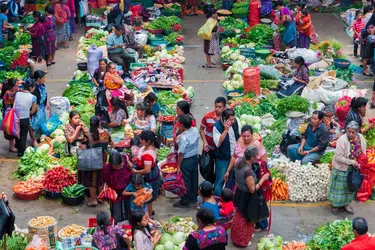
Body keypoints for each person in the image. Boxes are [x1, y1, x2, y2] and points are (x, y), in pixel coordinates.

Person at [231, 146, 270, 247]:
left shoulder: (238, 164)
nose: (258, 157)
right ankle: (242, 239)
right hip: (247, 197)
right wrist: (263, 179)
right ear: (252, 157)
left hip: (239, 193)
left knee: (239, 216)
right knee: (247, 219)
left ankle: (236, 236)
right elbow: (252, 189)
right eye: (257, 155)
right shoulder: (248, 171)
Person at [328, 121, 366, 215]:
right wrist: (352, 162)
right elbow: (338, 157)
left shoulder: (361, 138)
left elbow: (363, 152)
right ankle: (335, 205)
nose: (350, 134)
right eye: (349, 131)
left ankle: (346, 204)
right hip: (342, 167)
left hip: (353, 168)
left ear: (357, 132)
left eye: (353, 132)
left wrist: (361, 162)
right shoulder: (342, 139)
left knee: (349, 188)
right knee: (338, 188)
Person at [213, 108, 241, 196]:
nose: (233, 121)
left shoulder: (236, 122)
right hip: (223, 159)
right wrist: (225, 130)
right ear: (224, 119)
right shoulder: (217, 127)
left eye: (233, 119)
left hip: (235, 157)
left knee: (233, 179)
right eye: (231, 119)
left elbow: (239, 135)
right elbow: (218, 143)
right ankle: (217, 198)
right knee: (221, 179)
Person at [132, 131, 161, 215]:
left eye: (142, 139)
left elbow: (147, 170)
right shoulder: (149, 146)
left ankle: (149, 216)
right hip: (150, 171)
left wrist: (136, 171)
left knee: (147, 196)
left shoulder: (148, 154)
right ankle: (148, 212)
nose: (140, 140)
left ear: (148, 141)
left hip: (149, 176)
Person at [174, 115, 200, 208]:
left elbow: (181, 153)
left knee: (186, 181)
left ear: (182, 126)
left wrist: (178, 166)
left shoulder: (183, 137)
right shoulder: (195, 130)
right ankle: (193, 196)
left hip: (186, 160)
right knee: (194, 178)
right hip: (194, 158)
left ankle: (185, 200)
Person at [200, 97, 226, 184]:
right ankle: (208, 188)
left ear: (224, 107)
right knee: (208, 170)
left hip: (220, 150)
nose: (217, 109)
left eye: (220, 107)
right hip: (209, 149)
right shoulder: (207, 117)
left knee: (220, 172)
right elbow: (201, 129)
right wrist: (205, 142)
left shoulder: (226, 119)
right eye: (216, 106)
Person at [102, 151, 133, 223]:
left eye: (118, 166)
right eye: (114, 166)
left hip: (128, 191)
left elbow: (133, 171)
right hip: (115, 194)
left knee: (129, 212)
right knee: (117, 214)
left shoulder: (127, 162)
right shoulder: (107, 169)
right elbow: (105, 180)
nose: (116, 168)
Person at [13, 80, 37, 157]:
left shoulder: (17, 94)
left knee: (17, 134)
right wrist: (28, 112)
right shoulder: (33, 97)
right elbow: (33, 110)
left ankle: (17, 146)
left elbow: (15, 104)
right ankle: (21, 152)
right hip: (25, 119)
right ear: (30, 87)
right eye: (33, 87)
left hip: (16, 118)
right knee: (23, 135)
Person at [30, 70, 48, 147]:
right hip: (36, 108)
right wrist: (35, 110)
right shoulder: (34, 88)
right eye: (43, 78)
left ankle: (40, 138)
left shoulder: (42, 85)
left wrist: (46, 104)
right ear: (38, 79)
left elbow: (45, 95)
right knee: (34, 124)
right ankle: (34, 140)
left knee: (42, 123)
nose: (45, 79)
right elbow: (34, 101)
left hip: (42, 107)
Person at [1, 79, 18, 153]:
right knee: (11, 129)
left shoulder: (14, 91)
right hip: (9, 114)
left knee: (15, 128)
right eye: (15, 86)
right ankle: (11, 147)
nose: (17, 87)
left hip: (13, 112)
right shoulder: (8, 94)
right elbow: (8, 105)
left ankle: (14, 145)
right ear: (11, 86)